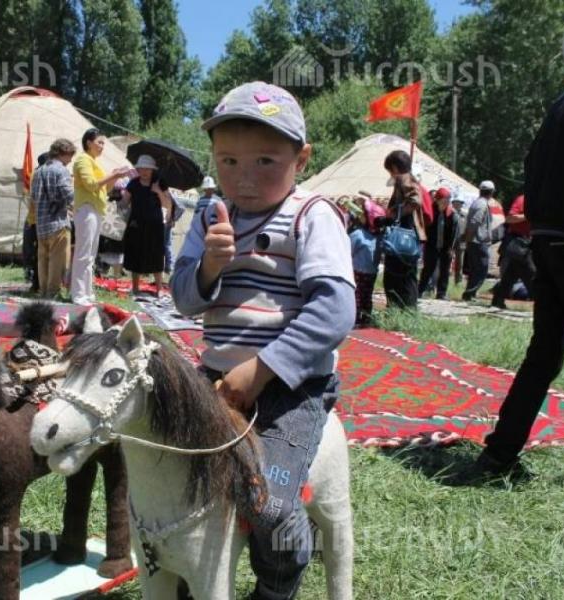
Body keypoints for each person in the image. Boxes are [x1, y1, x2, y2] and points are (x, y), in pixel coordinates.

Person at [171, 81, 355, 600]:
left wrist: (261, 369)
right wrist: (209, 266)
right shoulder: (211, 216)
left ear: (302, 159)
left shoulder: (312, 215)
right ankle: (190, 578)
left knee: (267, 503)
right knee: (177, 484)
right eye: (228, 161)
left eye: (266, 161)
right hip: (216, 378)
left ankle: (277, 583)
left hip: (290, 389)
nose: (244, 178)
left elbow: (335, 310)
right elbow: (184, 299)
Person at [476, 10, 564, 492]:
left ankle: (499, 453)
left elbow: (533, 174)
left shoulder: (562, 104)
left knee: (544, 357)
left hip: (550, 245)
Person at [70, 128, 129, 305]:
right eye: (99, 142)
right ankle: (78, 294)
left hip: (96, 209)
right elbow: (90, 185)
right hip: (86, 208)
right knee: (83, 253)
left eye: (103, 143)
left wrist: (113, 177)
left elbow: (105, 189)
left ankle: (87, 292)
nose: (102, 146)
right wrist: (113, 175)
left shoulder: (95, 162)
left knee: (91, 254)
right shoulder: (83, 159)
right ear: (89, 143)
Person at [121, 155, 172, 296]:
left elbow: (168, 204)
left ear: (152, 170)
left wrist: (158, 191)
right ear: (138, 169)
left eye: (147, 169)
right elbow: (124, 202)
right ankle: (135, 287)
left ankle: (159, 289)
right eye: (142, 168)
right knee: (135, 254)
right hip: (136, 224)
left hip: (155, 225)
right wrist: (117, 199)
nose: (144, 171)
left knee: (156, 255)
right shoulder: (133, 183)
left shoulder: (160, 183)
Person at [31, 139, 76, 299]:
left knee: (43, 260)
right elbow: (68, 194)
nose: (70, 160)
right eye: (70, 156)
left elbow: (33, 197)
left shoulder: (38, 171)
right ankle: (53, 293)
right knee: (58, 261)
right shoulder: (61, 170)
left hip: (41, 223)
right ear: (64, 153)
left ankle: (43, 291)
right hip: (58, 222)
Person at [382, 150, 426, 309]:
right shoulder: (409, 179)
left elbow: (415, 201)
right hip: (408, 236)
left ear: (394, 167)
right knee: (407, 278)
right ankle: (407, 311)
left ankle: (400, 310)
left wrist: (394, 214)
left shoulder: (404, 179)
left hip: (402, 236)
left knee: (396, 277)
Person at [491, 193, 535, 309]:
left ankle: (498, 300)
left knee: (510, 275)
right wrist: (527, 216)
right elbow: (509, 218)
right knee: (532, 274)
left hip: (527, 244)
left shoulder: (540, 201)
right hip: (517, 243)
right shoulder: (523, 199)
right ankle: (542, 304)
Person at [418, 188, 459, 300]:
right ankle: (420, 290)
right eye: (443, 200)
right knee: (428, 269)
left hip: (446, 247)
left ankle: (441, 293)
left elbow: (455, 233)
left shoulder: (452, 214)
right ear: (437, 200)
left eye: (447, 201)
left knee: (444, 270)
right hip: (431, 245)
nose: (445, 203)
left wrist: (452, 248)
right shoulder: (431, 211)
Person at [349, 193, 382, 326]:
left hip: (358, 271)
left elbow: (348, 251)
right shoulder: (378, 237)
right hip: (370, 271)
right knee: (366, 296)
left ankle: (357, 318)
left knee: (357, 295)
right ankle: (364, 318)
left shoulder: (358, 234)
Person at [461, 181, 495, 301]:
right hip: (478, 242)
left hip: (475, 241)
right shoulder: (482, 204)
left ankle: (470, 294)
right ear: (491, 192)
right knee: (481, 269)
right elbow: (474, 223)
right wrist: (469, 239)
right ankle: (470, 293)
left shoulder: (478, 203)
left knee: (475, 270)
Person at [23, 152, 49, 293]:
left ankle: (37, 283)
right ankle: (38, 283)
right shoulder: (40, 175)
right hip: (38, 221)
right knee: (40, 254)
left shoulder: (36, 173)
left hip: (33, 220)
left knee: (37, 253)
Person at [451, 197, 468, 285]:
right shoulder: (450, 213)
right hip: (450, 241)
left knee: (460, 263)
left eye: (460, 203)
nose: (458, 204)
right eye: (456, 202)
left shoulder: (465, 215)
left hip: (461, 241)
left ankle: (458, 281)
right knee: (447, 261)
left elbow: (467, 227)